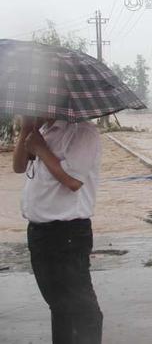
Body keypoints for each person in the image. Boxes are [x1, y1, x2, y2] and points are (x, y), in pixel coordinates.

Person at [12, 116, 103, 344]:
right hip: (40, 233)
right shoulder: (42, 130)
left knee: (81, 309)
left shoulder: (83, 132)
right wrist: (25, 130)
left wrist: (41, 149)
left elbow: (73, 181)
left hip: (68, 234)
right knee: (59, 305)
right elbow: (18, 166)